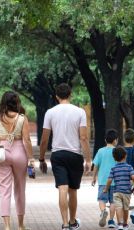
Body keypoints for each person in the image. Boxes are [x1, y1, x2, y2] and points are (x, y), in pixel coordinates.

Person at [39, 83, 92, 230]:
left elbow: (44, 139)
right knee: (73, 190)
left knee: (62, 188)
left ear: (56, 96)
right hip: (75, 155)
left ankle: (64, 223)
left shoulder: (50, 112)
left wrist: (41, 158)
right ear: (70, 95)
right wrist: (88, 159)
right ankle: (73, 221)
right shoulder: (80, 112)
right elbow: (83, 137)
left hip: (58, 155)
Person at [0, 91, 35, 230]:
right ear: (16, 102)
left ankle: (7, 226)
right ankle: (21, 225)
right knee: (20, 189)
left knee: (4, 189)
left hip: (2, 153)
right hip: (19, 152)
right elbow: (26, 140)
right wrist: (31, 158)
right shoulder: (22, 118)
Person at [103, 147, 134, 230]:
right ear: (125, 156)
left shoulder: (113, 168)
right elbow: (133, 177)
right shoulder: (129, 167)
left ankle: (119, 224)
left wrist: (106, 189)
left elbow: (109, 180)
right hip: (126, 192)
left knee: (118, 208)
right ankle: (125, 224)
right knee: (126, 208)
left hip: (117, 192)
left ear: (114, 158)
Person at [91, 129, 118, 228]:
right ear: (115, 140)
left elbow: (95, 165)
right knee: (113, 202)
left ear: (105, 140)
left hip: (102, 181)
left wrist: (94, 177)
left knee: (101, 199)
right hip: (115, 181)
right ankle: (111, 221)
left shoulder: (100, 151)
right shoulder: (117, 151)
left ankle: (103, 211)